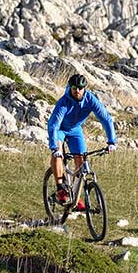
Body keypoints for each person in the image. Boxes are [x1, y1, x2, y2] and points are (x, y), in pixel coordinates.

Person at [47, 73, 116, 210]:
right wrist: (54, 147)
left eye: (80, 87)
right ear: (69, 87)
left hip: (75, 130)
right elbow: (54, 125)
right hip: (60, 129)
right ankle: (60, 188)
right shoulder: (64, 103)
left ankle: (75, 197)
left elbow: (106, 119)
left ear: (85, 88)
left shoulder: (91, 100)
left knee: (81, 161)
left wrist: (111, 141)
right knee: (58, 152)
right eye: (74, 87)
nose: (77, 90)